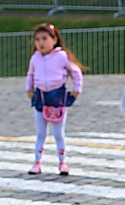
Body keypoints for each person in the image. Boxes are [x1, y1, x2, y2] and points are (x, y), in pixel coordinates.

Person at [25, 22, 85, 175]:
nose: (41, 43)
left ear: (54, 39)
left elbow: (76, 72)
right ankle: (37, 162)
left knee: (58, 133)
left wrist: (76, 90)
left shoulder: (62, 56)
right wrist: (29, 89)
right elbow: (30, 74)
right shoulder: (35, 58)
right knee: (40, 133)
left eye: (45, 38)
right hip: (41, 97)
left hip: (57, 97)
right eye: (37, 39)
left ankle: (62, 162)